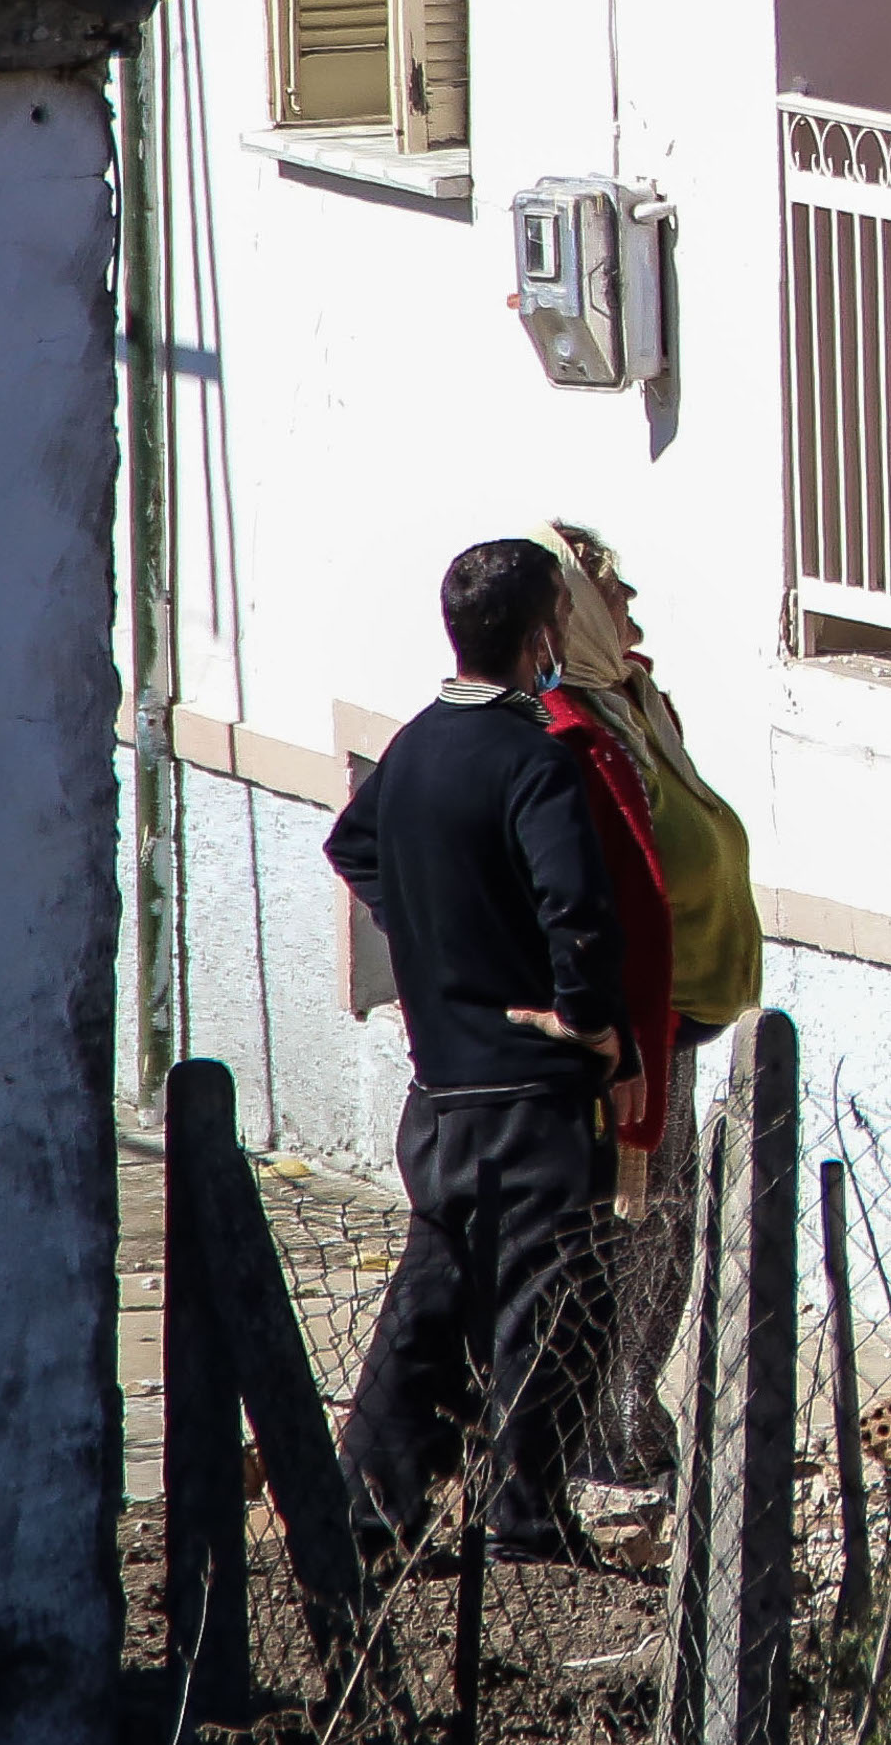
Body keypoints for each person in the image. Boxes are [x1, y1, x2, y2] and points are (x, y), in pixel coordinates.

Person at [325, 538, 626, 1564]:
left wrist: (430, 934)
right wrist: (587, 1017)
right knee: (546, 1303)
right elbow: (577, 909)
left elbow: (353, 843)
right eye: (560, 623)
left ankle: (371, 1510)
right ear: (540, 636)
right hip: (530, 1090)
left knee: (434, 1293)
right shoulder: (533, 758)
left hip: (443, 1084)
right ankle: (525, 1517)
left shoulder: (415, 746)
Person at [531, 525, 764, 1484]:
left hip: (681, 1009)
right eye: (613, 592)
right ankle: (603, 1420)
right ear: (578, 613)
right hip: (626, 1023)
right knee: (628, 1221)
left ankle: (630, 1402)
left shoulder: (633, 700)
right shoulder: (559, 724)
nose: (630, 606)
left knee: (666, 1218)